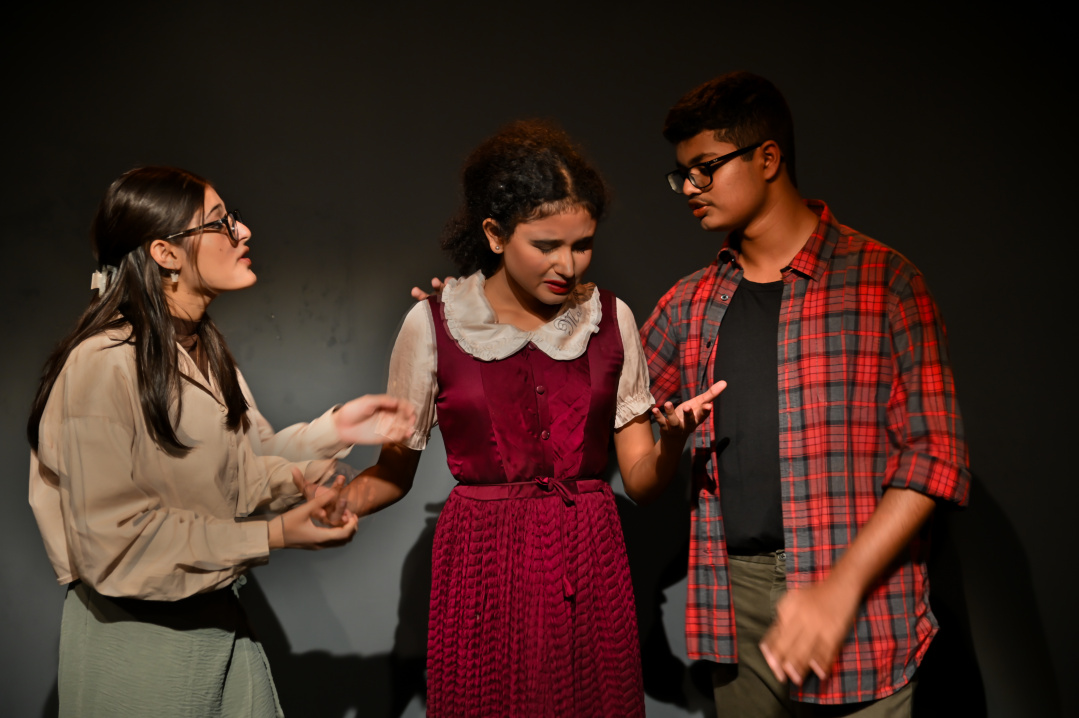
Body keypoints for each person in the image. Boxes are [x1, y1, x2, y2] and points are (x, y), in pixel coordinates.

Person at [334, 120, 724, 717]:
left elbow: (642, 484)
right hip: (482, 565)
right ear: (495, 234)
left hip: (588, 559)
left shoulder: (610, 319)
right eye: (545, 245)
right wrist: (324, 507)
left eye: (582, 244)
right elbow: (393, 474)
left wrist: (672, 441)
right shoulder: (434, 323)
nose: (567, 264)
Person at [27, 166, 416, 718]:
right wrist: (275, 534)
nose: (244, 231)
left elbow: (241, 469)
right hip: (140, 650)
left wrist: (337, 430)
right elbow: (115, 544)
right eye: (220, 223)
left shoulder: (201, 350)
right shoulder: (102, 363)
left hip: (217, 628)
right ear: (166, 253)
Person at [640, 71, 971, 715]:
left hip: (862, 600)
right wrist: (485, 307)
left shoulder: (885, 283)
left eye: (706, 168)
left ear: (767, 158)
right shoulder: (690, 302)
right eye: (683, 174)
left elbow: (936, 457)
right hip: (733, 601)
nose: (691, 188)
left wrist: (838, 588)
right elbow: (605, 387)